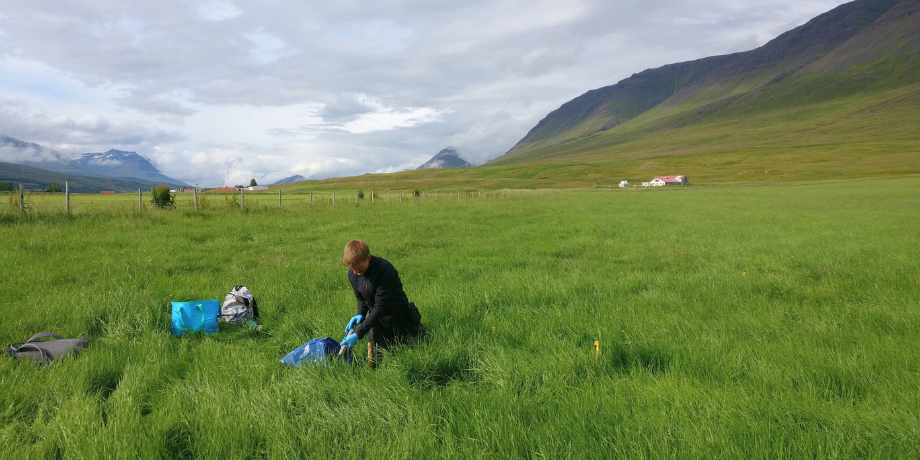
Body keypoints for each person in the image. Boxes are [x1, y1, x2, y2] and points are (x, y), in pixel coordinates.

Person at [339, 240, 425, 355]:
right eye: (352, 269)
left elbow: (380, 306)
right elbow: (361, 299)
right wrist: (360, 313)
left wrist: (358, 333)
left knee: (419, 349)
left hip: (400, 318)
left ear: (368, 258)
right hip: (378, 321)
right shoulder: (353, 274)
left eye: (359, 268)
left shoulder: (385, 270)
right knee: (380, 357)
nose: (356, 272)